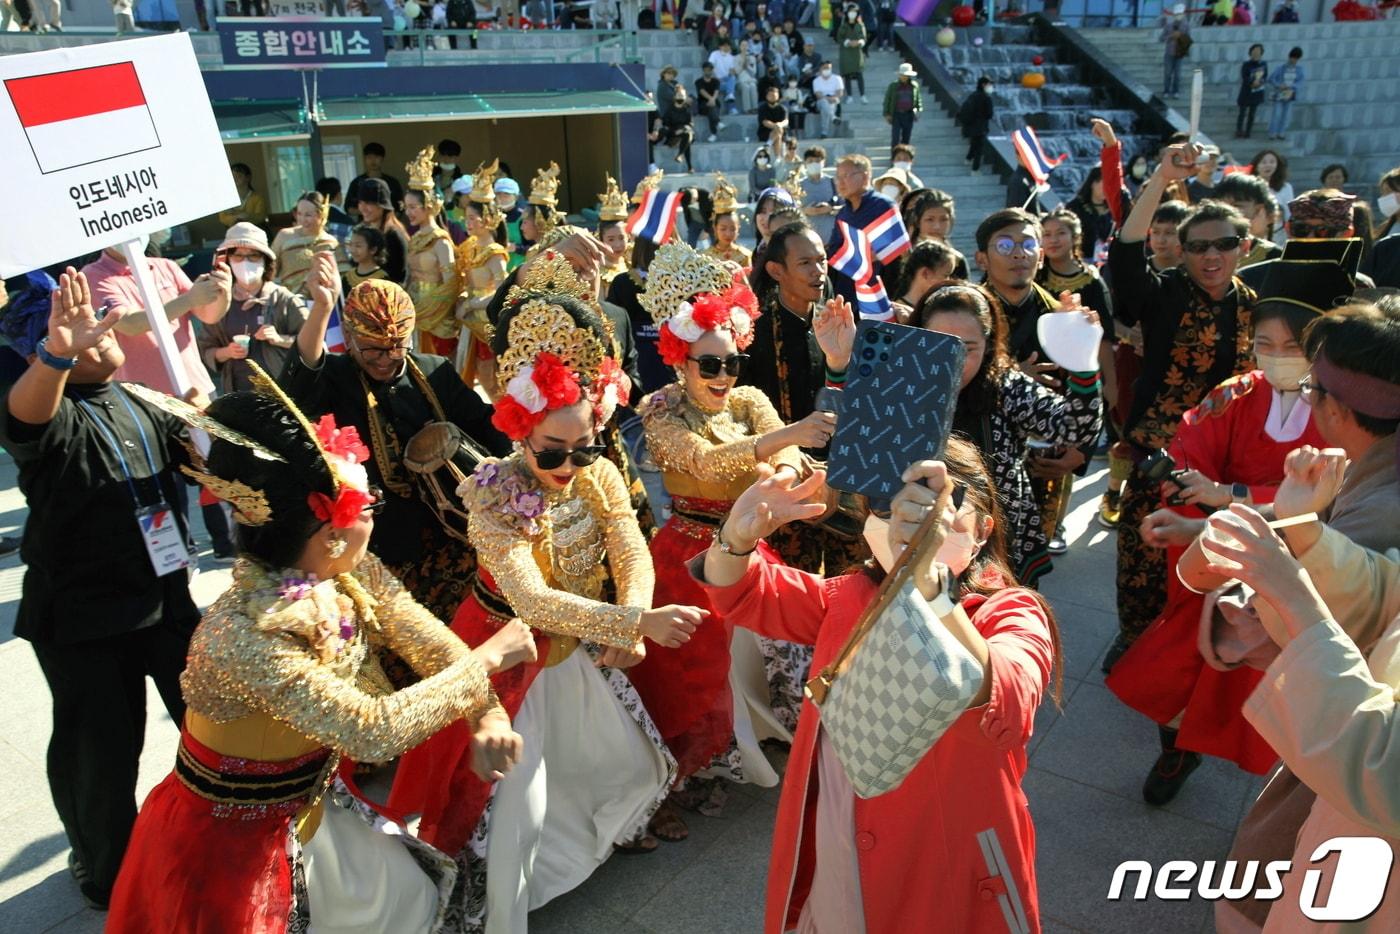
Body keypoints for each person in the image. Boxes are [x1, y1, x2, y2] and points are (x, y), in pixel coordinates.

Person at [104, 377, 533, 932]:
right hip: (228, 844)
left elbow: (419, 634)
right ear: (330, 532)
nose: (375, 511)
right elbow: (370, 730)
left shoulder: (347, 569)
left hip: (314, 801)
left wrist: (486, 711)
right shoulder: (243, 635)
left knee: (404, 899)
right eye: (367, 503)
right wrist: (488, 660)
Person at [387, 291, 694, 931]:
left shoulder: (600, 473)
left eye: (583, 447)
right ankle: (498, 907)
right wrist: (634, 624)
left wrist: (633, 614)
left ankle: (588, 844)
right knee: (506, 805)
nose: (568, 465)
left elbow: (631, 550)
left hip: (575, 646)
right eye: (552, 450)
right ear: (519, 431)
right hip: (507, 651)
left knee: (619, 761)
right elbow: (529, 600)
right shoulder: (494, 493)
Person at [695, 437, 1060, 933]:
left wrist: (928, 584)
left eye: (941, 505)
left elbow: (1008, 698)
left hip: (947, 857)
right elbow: (743, 592)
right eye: (893, 508)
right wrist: (735, 538)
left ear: (983, 529)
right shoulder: (850, 596)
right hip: (840, 830)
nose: (912, 525)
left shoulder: (1009, 610)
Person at [0, 267, 200, 910]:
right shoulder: (47, 408)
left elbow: (202, 464)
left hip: (167, 601)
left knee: (209, 726)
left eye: (106, 321)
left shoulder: (140, 398)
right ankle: (105, 867)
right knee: (103, 757)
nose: (106, 331)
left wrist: (203, 424)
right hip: (87, 619)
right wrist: (57, 352)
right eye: (89, 328)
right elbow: (24, 423)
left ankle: (217, 841)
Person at [1105, 260, 1339, 806]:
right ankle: (1177, 748)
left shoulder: (1339, 407)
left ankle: (1292, 784)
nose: (1276, 354)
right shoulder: (1235, 393)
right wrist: (1188, 495)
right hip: (1213, 554)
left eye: (1292, 343)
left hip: (1295, 564)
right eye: (1264, 341)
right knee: (1188, 664)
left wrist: (1223, 501)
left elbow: (1330, 495)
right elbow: (1190, 447)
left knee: (1280, 685)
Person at [630, 242, 826, 840]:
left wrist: (784, 470)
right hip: (685, 551)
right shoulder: (658, 407)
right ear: (679, 361)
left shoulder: (749, 399)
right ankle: (681, 772)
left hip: (746, 544)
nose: (721, 376)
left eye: (728, 363)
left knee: (778, 649)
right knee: (689, 672)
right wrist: (785, 440)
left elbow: (790, 456)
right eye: (706, 364)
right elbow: (703, 462)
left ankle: (763, 742)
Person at [284, 264, 510, 626]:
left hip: (453, 538)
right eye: (373, 350)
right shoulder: (336, 379)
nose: (386, 359)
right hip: (383, 545)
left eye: (396, 348)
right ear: (353, 341)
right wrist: (322, 308)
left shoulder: (434, 370)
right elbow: (298, 386)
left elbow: (488, 428)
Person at [1104, 141, 1258, 672]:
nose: (1211, 256)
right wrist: (1159, 181)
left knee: (1215, 556)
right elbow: (1125, 258)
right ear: (1183, 251)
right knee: (1144, 553)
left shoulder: (1254, 304)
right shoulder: (1164, 293)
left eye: (1224, 244)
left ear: (1245, 246)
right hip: (1159, 452)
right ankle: (1134, 638)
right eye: (1197, 247)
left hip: (1225, 459)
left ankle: (1200, 644)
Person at [921, 283, 1102, 585]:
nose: (952, 360)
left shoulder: (1005, 387)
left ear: (988, 345)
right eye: (939, 344)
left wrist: (1082, 362)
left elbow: (1074, 428)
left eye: (967, 349)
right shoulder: (902, 385)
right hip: (918, 535)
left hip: (1001, 542)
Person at [746, 222, 866, 578]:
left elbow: (853, 401)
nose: (818, 271)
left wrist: (840, 362)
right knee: (791, 587)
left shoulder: (837, 324)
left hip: (840, 481)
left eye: (822, 260)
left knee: (848, 584)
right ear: (775, 270)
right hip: (784, 478)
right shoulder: (754, 332)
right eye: (805, 263)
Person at [1100, 199, 1189, 529]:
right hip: (1131, 361)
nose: (1164, 239)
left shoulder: (1191, 278)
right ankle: (1113, 491)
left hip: (1174, 367)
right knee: (1128, 429)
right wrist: (1132, 333)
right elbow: (1112, 319)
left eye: (1172, 232)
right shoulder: (1134, 274)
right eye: (1157, 232)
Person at [82, 239, 229, 404]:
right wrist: (189, 299)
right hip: (145, 400)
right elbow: (130, 324)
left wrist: (222, 292)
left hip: (196, 388)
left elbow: (208, 315)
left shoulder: (166, 266)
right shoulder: (92, 275)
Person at [199, 223, 308, 394]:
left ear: (266, 261)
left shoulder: (284, 299)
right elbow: (206, 350)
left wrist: (280, 339)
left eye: (253, 256)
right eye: (238, 256)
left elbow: (316, 345)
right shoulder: (218, 302)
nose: (245, 262)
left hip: (285, 394)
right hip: (238, 396)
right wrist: (227, 352)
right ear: (227, 261)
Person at [454, 163, 511, 392]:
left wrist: (471, 304)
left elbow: (501, 291)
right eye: (466, 218)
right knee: (471, 372)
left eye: (471, 218)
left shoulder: (496, 253)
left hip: (487, 320)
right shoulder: (470, 247)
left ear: (486, 219)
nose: (467, 223)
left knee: (490, 379)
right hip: (470, 320)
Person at [403, 148, 461, 363]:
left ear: (428, 206)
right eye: (406, 207)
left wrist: (431, 309)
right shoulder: (416, 238)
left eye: (412, 207)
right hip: (415, 309)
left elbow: (451, 283)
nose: (408, 212)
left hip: (437, 313)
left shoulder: (440, 241)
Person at [828, 154, 905, 305]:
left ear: (865, 176)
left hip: (878, 290)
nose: (840, 182)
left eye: (846, 176)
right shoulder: (843, 213)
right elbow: (834, 249)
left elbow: (896, 251)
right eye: (837, 177)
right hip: (847, 290)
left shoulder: (883, 206)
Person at [271, 191, 339, 298]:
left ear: (322, 214)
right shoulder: (284, 236)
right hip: (290, 301)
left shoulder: (331, 242)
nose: (302, 219)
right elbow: (271, 269)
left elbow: (339, 278)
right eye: (299, 214)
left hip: (322, 301)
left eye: (308, 215)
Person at [1214, 172, 1284, 268]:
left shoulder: (1275, 256)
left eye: (1236, 206)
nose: (1227, 211)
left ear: (1258, 209)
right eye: (1223, 206)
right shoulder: (1203, 248)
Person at [903, 188, 969, 277]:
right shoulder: (903, 258)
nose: (937, 226)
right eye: (930, 220)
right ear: (918, 222)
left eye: (943, 220)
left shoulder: (957, 260)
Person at [356, 177, 411, 284]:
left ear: (382, 205)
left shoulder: (393, 235)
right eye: (360, 202)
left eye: (368, 203)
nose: (363, 208)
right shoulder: (362, 232)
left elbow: (399, 277)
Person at [890, 238, 956, 324]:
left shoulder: (940, 309)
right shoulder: (895, 314)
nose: (949, 281)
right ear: (926, 273)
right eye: (946, 275)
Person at [346, 142, 405, 219]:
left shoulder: (392, 182)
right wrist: (369, 212)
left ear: (382, 159)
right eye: (369, 157)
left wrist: (389, 221)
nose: (373, 161)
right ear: (365, 159)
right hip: (365, 226)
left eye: (376, 157)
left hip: (388, 225)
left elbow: (400, 208)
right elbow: (348, 208)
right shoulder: (356, 183)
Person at [705, 175, 753, 266]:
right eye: (723, 229)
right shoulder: (706, 257)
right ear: (715, 229)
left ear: (738, 229)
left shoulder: (744, 256)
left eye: (733, 229)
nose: (728, 234)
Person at [797, 146, 839, 242]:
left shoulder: (833, 182)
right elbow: (792, 210)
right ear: (805, 163)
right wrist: (805, 210)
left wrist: (830, 209)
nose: (814, 164)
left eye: (817, 161)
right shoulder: (799, 184)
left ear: (823, 162)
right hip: (806, 239)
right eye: (810, 161)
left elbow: (845, 206)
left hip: (831, 238)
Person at [1266, 47, 1305, 141]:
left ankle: (1281, 133)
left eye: (1296, 58)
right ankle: (1272, 133)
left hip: (1290, 94)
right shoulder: (1280, 68)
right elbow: (1271, 79)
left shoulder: (1300, 70)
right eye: (1292, 57)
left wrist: (1293, 86)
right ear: (1289, 57)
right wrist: (1279, 85)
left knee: (1286, 115)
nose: (1294, 60)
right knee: (1277, 114)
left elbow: (1300, 82)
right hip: (1279, 94)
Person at [957, 77, 995, 172]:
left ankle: (968, 158)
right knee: (979, 148)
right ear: (983, 85)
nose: (991, 87)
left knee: (974, 144)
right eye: (989, 84)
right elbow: (989, 114)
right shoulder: (986, 98)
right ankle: (975, 168)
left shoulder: (973, 96)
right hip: (981, 127)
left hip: (971, 126)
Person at [1247, 148, 1295, 222]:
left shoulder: (1286, 187)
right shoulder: (1248, 186)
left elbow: (1288, 214)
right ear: (1256, 167)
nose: (1268, 165)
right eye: (1263, 162)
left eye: (1272, 162)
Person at [883, 62, 921, 150]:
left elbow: (918, 100)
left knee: (906, 138)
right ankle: (894, 158)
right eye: (902, 75)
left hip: (909, 115)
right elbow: (887, 100)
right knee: (895, 138)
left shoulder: (914, 86)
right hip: (897, 114)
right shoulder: (893, 86)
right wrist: (886, 114)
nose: (904, 77)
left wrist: (918, 111)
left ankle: (904, 159)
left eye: (906, 75)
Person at [218, 163, 268, 228]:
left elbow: (260, 217)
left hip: (255, 231)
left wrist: (244, 216)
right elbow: (222, 218)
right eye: (232, 177)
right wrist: (237, 217)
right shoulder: (226, 198)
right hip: (234, 232)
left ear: (248, 177)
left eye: (239, 176)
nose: (235, 179)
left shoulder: (257, 198)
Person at [344, 223, 390, 292]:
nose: (352, 250)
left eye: (358, 246)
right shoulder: (347, 277)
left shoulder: (382, 279)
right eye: (351, 244)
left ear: (373, 249)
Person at [835, 3, 867, 104]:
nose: (852, 14)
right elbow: (839, 37)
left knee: (859, 73)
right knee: (847, 74)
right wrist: (847, 42)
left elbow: (864, 38)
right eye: (850, 12)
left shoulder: (860, 25)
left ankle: (862, 95)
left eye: (854, 12)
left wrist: (859, 42)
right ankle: (849, 96)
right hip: (846, 52)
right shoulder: (843, 25)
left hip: (857, 52)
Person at [1235, 43, 1268, 139]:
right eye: (1254, 51)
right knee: (1242, 113)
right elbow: (1244, 76)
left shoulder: (1263, 64)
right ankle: (1239, 130)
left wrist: (1260, 82)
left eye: (1258, 51)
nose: (1256, 53)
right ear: (1250, 52)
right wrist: (1252, 83)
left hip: (1256, 93)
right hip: (1246, 92)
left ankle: (1248, 132)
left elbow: (1265, 76)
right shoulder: (1246, 64)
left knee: (1252, 114)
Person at [660, 88, 697, 172]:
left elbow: (690, 124)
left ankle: (680, 155)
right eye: (679, 95)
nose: (681, 97)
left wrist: (683, 129)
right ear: (675, 96)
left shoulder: (687, 109)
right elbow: (665, 124)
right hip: (673, 135)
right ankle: (689, 166)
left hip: (684, 132)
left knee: (688, 135)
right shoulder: (669, 109)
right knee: (687, 140)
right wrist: (674, 131)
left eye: (683, 96)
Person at [1160, 4, 1191, 97]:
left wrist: (1181, 36)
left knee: (1177, 74)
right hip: (1169, 53)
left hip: (1179, 53)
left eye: (1180, 14)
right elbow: (1161, 38)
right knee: (1168, 73)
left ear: (1183, 14)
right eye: (1177, 14)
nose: (1179, 16)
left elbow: (1188, 39)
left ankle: (1175, 91)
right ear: (1174, 15)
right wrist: (1171, 36)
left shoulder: (1186, 26)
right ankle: (1166, 90)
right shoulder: (1169, 26)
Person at [811, 60, 844, 137]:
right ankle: (833, 117)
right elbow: (818, 95)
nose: (827, 70)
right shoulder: (816, 81)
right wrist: (828, 99)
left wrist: (834, 98)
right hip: (821, 101)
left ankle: (824, 132)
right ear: (820, 69)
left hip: (834, 99)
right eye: (825, 68)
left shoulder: (837, 78)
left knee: (829, 106)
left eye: (829, 68)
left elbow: (840, 92)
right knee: (824, 103)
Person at [696, 61, 726, 141]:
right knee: (711, 108)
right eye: (706, 70)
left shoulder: (716, 81)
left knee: (711, 110)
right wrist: (711, 99)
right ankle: (718, 123)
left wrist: (712, 100)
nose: (708, 71)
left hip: (714, 103)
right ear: (703, 70)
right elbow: (702, 91)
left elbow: (716, 92)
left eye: (709, 70)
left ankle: (714, 134)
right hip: (702, 104)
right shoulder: (698, 81)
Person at [756, 83, 788, 151]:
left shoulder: (782, 108)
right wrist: (776, 126)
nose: (773, 97)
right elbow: (765, 122)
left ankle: (768, 144)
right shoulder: (762, 108)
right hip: (765, 132)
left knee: (779, 133)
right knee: (778, 132)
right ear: (766, 96)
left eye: (775, 95)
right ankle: (778, 158)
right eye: (771, 95)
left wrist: (780, 125)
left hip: (780, 132)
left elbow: (786, 121)